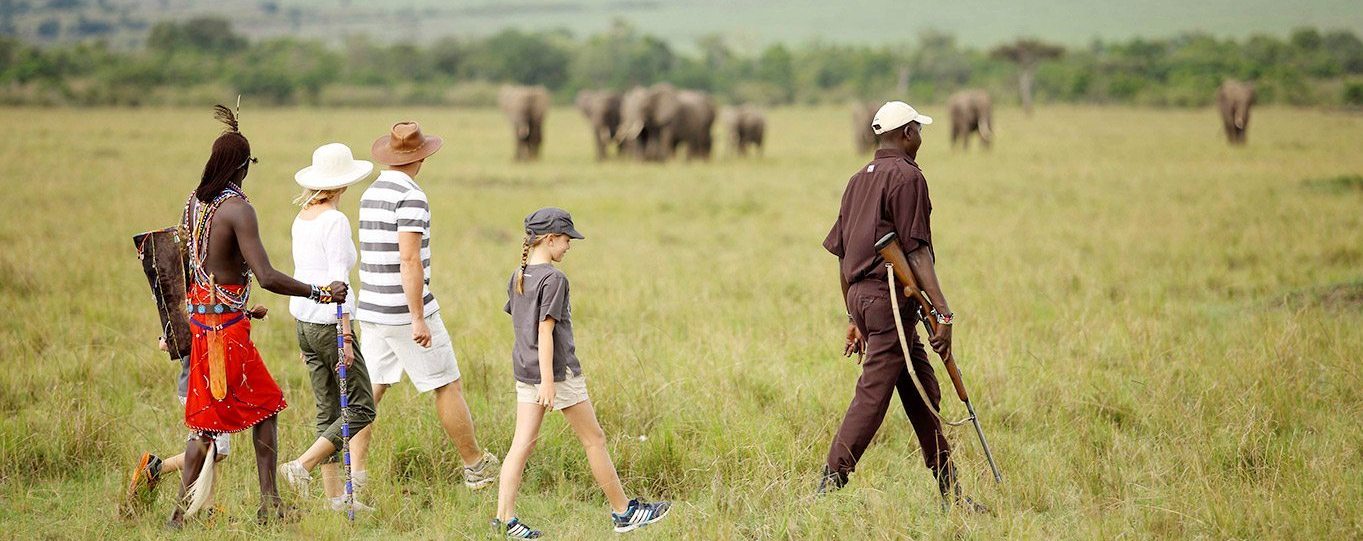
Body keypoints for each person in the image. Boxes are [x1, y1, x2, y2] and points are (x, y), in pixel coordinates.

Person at [168, 105, 349, 528]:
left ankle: (214, 513)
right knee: (245, 414)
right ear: (242, 166)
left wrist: (235, 305)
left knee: (222, 421)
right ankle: (209, 514)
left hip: (205, 324)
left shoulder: (194, 204)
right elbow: (266, 275)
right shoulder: (238, 210)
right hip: (224, 335)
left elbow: (196, 266)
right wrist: (320, 291)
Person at [818, 101, 987, 512]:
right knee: (872, 397)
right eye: (919, 130)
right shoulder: (908, 177)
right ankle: (827, 487)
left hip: (864, 299)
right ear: (908, 133)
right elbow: (917, 252)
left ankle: (952, 492)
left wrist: (853, 317)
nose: (921, 137)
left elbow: (843, 257)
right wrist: (943, 312)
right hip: (888, 301)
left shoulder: (858, 179)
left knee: (924, 395)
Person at [492, 208, 671, 538]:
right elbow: (545, 331)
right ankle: (624, 513)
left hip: (525, 371)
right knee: (594, 439)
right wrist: (549, 380)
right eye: (566, 239)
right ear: (549, 239)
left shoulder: (517, 275)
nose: (569, 246)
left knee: (521, 444)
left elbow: (521, 326)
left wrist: (536, 375)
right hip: (557, 375)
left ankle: (505, 520)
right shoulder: (554, 279)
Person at [356, 121, 499, 489]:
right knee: (446, 384)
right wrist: (417, 317)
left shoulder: (371, 192)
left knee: (370, 389)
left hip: (371, 308)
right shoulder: (412, 196)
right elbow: (409, 259)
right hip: (405, 310)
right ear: (420, 157)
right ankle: (475, 466)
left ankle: (355, 476)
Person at [276, 143, 380, 513]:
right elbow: (339, 282)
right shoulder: (335, 220)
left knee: (329, 410)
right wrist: (347, 334)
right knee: (362, 407)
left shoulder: (303, 215)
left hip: (303, 322)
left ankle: (335, 499)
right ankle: (301, 466)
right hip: (329, 324)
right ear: (344, 184)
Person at [121, 337, 231, 517]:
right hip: (202, 386)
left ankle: (208, 510)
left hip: (202, 384)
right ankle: (155, 468)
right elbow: (167, 341)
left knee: (209, 448)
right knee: (215, 449)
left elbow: (166, 339)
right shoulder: (199, 307)